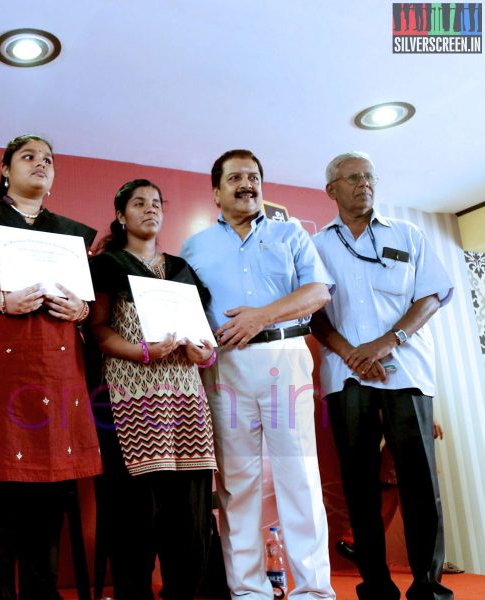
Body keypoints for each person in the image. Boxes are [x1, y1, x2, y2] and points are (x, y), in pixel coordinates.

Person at [0, 134, 103, 599]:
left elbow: (86, 303)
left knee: (47, 509)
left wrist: (82, 312)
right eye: (28, 156)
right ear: (5, 170)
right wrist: (2, 301)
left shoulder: (71, 234)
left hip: (56, 375)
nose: (40, 164)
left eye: (48, 158)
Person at [181, 149, 335, 600]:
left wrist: (261, 317)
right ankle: (248, 591)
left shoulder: (291, 234)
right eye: (235, 178)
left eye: (253, 176)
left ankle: (313, 591)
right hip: (224, 366)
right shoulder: (196, 246)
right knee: (236, 483)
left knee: (299, 476)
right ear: (216, 192)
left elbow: (317, 292)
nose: (246, 184)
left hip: (284, 359)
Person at [311, 151, 454, 600]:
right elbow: (313, 313)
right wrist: (352, 354)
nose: (364, 183)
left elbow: (431, 296)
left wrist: (387, 341)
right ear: (332, 189)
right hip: (345, 375)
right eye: (352, 177)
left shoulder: (408, 234)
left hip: (407, 372)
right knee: (359, 483)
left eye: (369, 176)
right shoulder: (316, 246)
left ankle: (428, 587)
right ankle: (375, 585)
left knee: (419, 482)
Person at [89, 179, 217, 599]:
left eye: (156, 203)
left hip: (185, 404)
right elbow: (98, 331)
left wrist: (204, 354)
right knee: (134, 517)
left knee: (190, 517)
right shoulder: (107, 265)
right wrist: (143, 351)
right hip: (131, 404)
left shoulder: (181, 269)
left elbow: (205, 339)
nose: (150, 210)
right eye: (139, 203)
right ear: (121, 214)